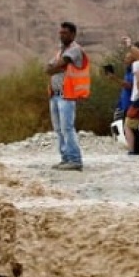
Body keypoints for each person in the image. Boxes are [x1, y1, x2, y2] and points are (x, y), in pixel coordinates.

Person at [45, 21, 90, 170]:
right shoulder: (60, 51)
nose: (61, 35)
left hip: (67, 94)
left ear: (72, 34)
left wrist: (56, 67)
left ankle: (75, 159)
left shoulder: (75, 49)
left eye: (65, 33)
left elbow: (59, 64)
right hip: (55, 94)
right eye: (60, 33)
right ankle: (65, 158)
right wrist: (55, 67)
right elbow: (48, 68)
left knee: (67, 128)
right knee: (59, 129)